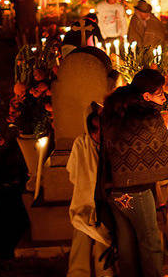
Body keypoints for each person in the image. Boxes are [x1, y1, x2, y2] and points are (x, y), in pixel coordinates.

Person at [100, 69, 168, 277]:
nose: (164, 96)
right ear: (146, 96)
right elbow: (165, 145)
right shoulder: (148, 117)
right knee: (150, 240)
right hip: (137, 192)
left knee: (125, 242)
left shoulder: (117, 110)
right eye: (159, 93)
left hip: (113, 189)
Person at [67, 104, 113, 277]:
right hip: (84, 201)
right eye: (94, 129)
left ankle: (105, 272)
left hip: (106, 202)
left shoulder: (110, 145)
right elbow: (73, 172)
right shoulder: (81, 144)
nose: (98, 134)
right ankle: (78, 273)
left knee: (104, 238)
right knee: (81, 234)